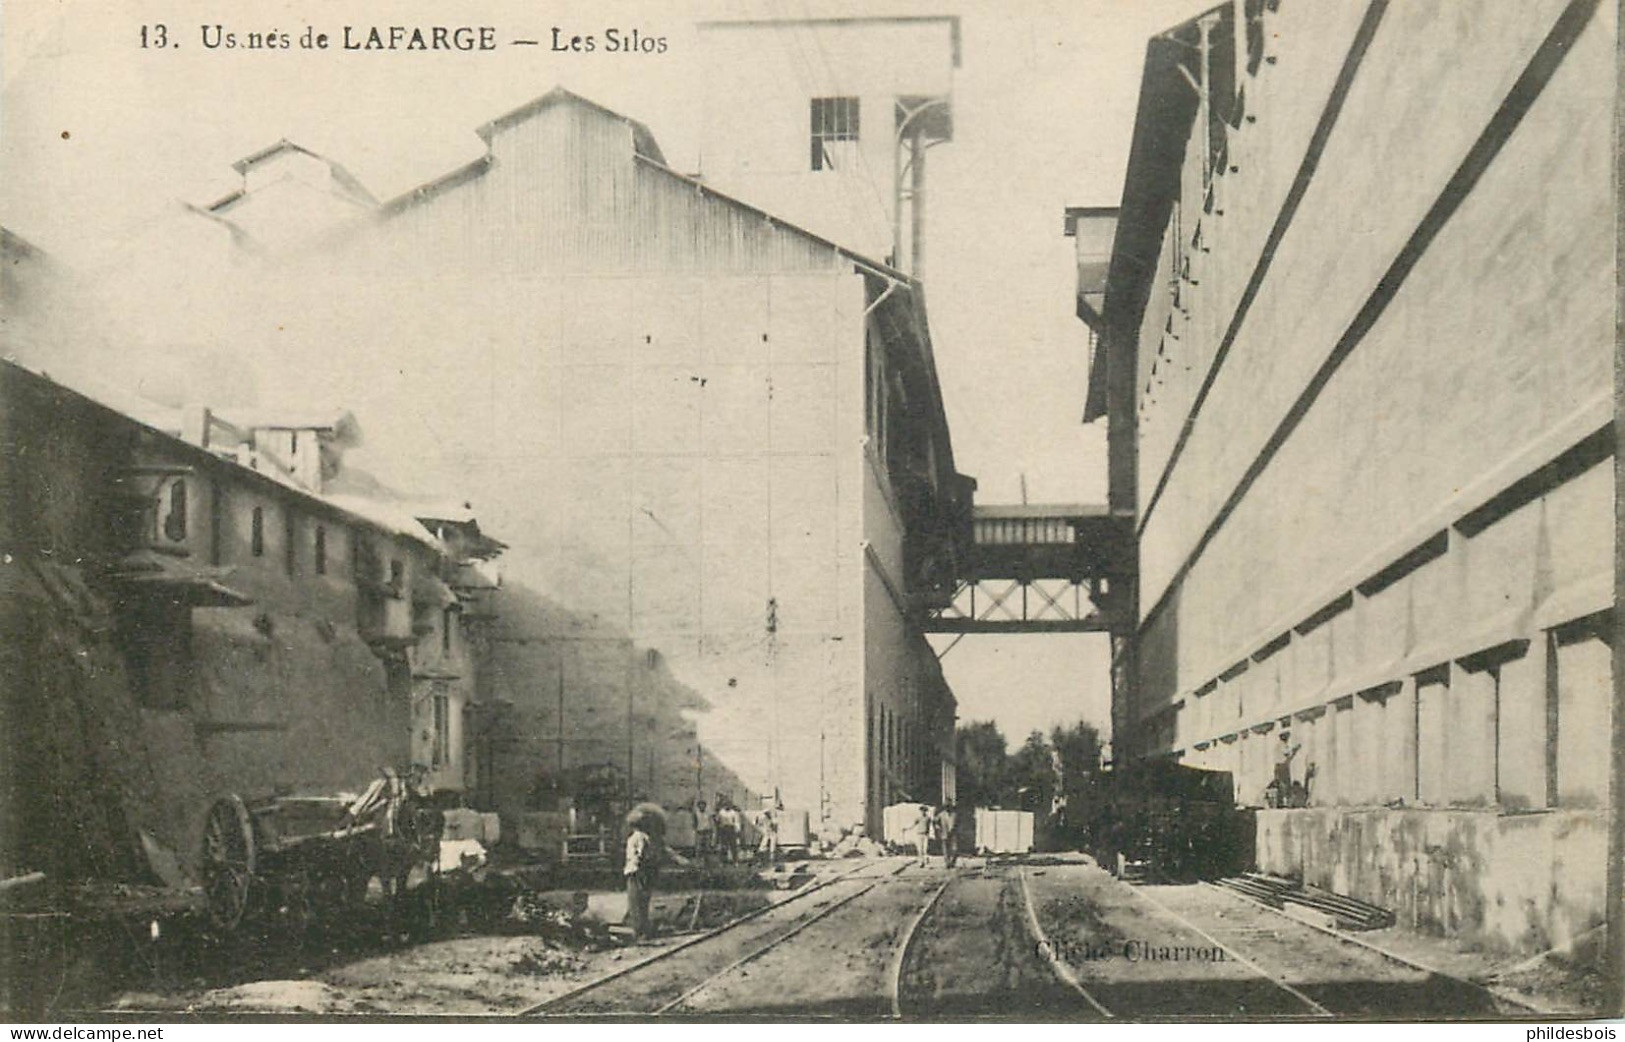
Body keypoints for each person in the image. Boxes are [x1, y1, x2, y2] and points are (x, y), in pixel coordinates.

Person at [935, 802, 958, 869]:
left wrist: (955, 829)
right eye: (946, 807)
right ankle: (947, 863)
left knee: (955, 848)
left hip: (953, 834)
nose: (948, 808)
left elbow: (958, 823)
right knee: (945, 849)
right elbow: (935, 821)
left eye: (949, 806)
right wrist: (938, 828)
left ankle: (952, 862)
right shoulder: (941, 814)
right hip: (944, 833)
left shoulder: (954, 814)